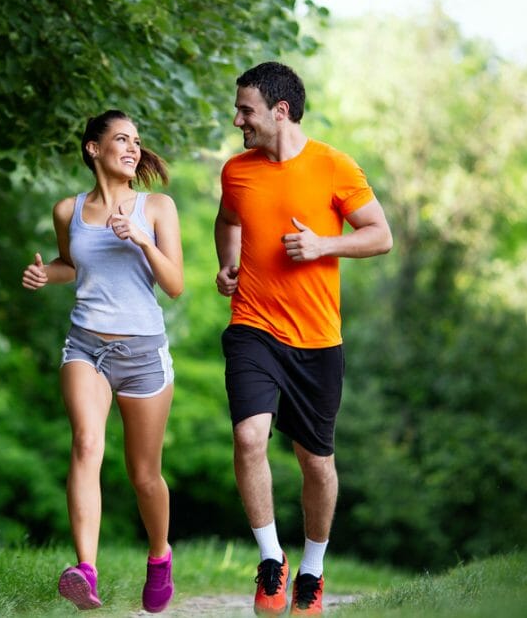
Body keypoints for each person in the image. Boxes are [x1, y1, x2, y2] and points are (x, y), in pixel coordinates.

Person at [214, 62, 393, 615]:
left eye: (246, 109)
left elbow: (380, 235)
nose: (238, 119)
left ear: (280, 111)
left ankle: (311, 569)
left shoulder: (335, 166)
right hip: (254, 327)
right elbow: (228, 220)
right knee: (249, 438)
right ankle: (272, 561)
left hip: (317, 340)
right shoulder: (236, 171)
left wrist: (323, 247)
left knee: (315, 462)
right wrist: (228, 263)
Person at [22, 110, 184, 613]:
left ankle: (159, 556)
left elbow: (175, 285)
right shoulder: (67, 210)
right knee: (87, 443)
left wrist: (139, 239)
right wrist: (47, 274)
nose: (133, 148)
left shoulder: (156, 207)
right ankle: (84, 569)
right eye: (121, 139)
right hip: (86, 345)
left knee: (143, 476)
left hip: (143, 354)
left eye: (137, 140)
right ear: (94, 148)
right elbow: (72, 263)